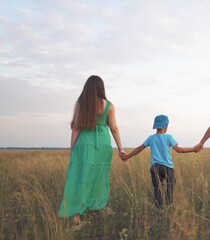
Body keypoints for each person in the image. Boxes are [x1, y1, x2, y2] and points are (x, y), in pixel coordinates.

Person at [59, 75, 124, 229]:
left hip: (84, 143)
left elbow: (76, 128)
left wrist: (72, 149)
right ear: (101, 88)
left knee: (79, 177)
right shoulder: (108, 105)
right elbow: (114, 128)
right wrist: (120, 148)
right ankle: (99, 207)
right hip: (102, 144)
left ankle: (76, 218)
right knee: (100, 177)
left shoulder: (81, 103)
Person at [120, 114, 199, 209]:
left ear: (155, 126)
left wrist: (127, 156)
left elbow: (139, 149)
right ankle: (169, 206)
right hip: (168, 168)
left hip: (155, 168)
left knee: (157, 188)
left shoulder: (151, 138)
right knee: (170, 186)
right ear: (166, 126)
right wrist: (193, 149)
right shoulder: (169, 137)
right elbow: (179, 150)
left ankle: (159, 210)